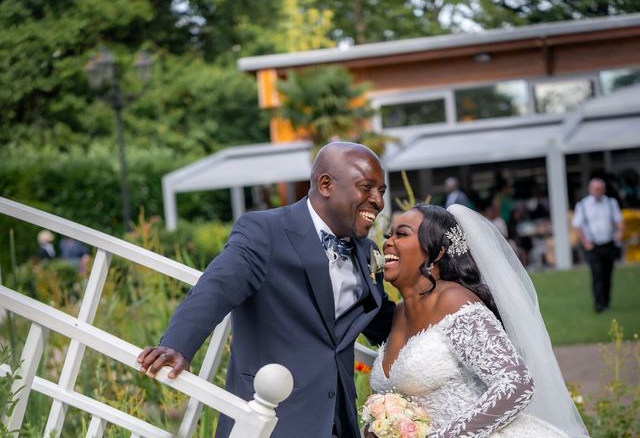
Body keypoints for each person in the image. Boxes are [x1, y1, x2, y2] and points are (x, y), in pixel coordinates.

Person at [138, 142, 396, 438]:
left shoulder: (366, 253)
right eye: (367, 188)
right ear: (325, 184)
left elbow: (381, 323)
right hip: (271, 421)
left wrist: (437, 303)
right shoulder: (266, 232)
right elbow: (217, 286)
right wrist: (177, 344)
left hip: (338, 423)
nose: (378, 201)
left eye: (382, 192)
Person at [366, 204, 588, 438]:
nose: (388, 242)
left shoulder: (455, 302)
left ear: (438, 252)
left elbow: (516, 383)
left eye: (401, 234)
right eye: (390, 234)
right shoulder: (399, 314)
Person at [572, 178, 624, 313]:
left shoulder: (611, 203)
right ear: (590, 190)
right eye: (595, 189)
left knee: (608, 274)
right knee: (597, 274)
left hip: (608, 244)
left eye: (600, 189)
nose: (598, 191)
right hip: (592, 246)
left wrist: (619, 232)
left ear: (604, 189)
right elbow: (577, 225)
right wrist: (585, 242)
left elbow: (619, 221)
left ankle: (606, 301)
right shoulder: (583, 205)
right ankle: (598, 304)